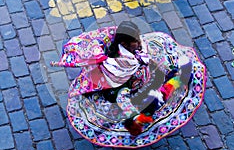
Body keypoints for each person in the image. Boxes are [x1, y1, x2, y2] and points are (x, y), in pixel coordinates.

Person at [51, 21, 193, 138]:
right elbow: (115, 78)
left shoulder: (133, 50)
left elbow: (144, 56)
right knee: (122, 98)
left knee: (157, 66)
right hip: (121, 83)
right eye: (135, 41)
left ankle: (170, 76)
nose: (139, 43)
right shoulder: (116, 64)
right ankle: (133, 121)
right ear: (124, 44)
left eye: (138, 39)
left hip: (137, 74)